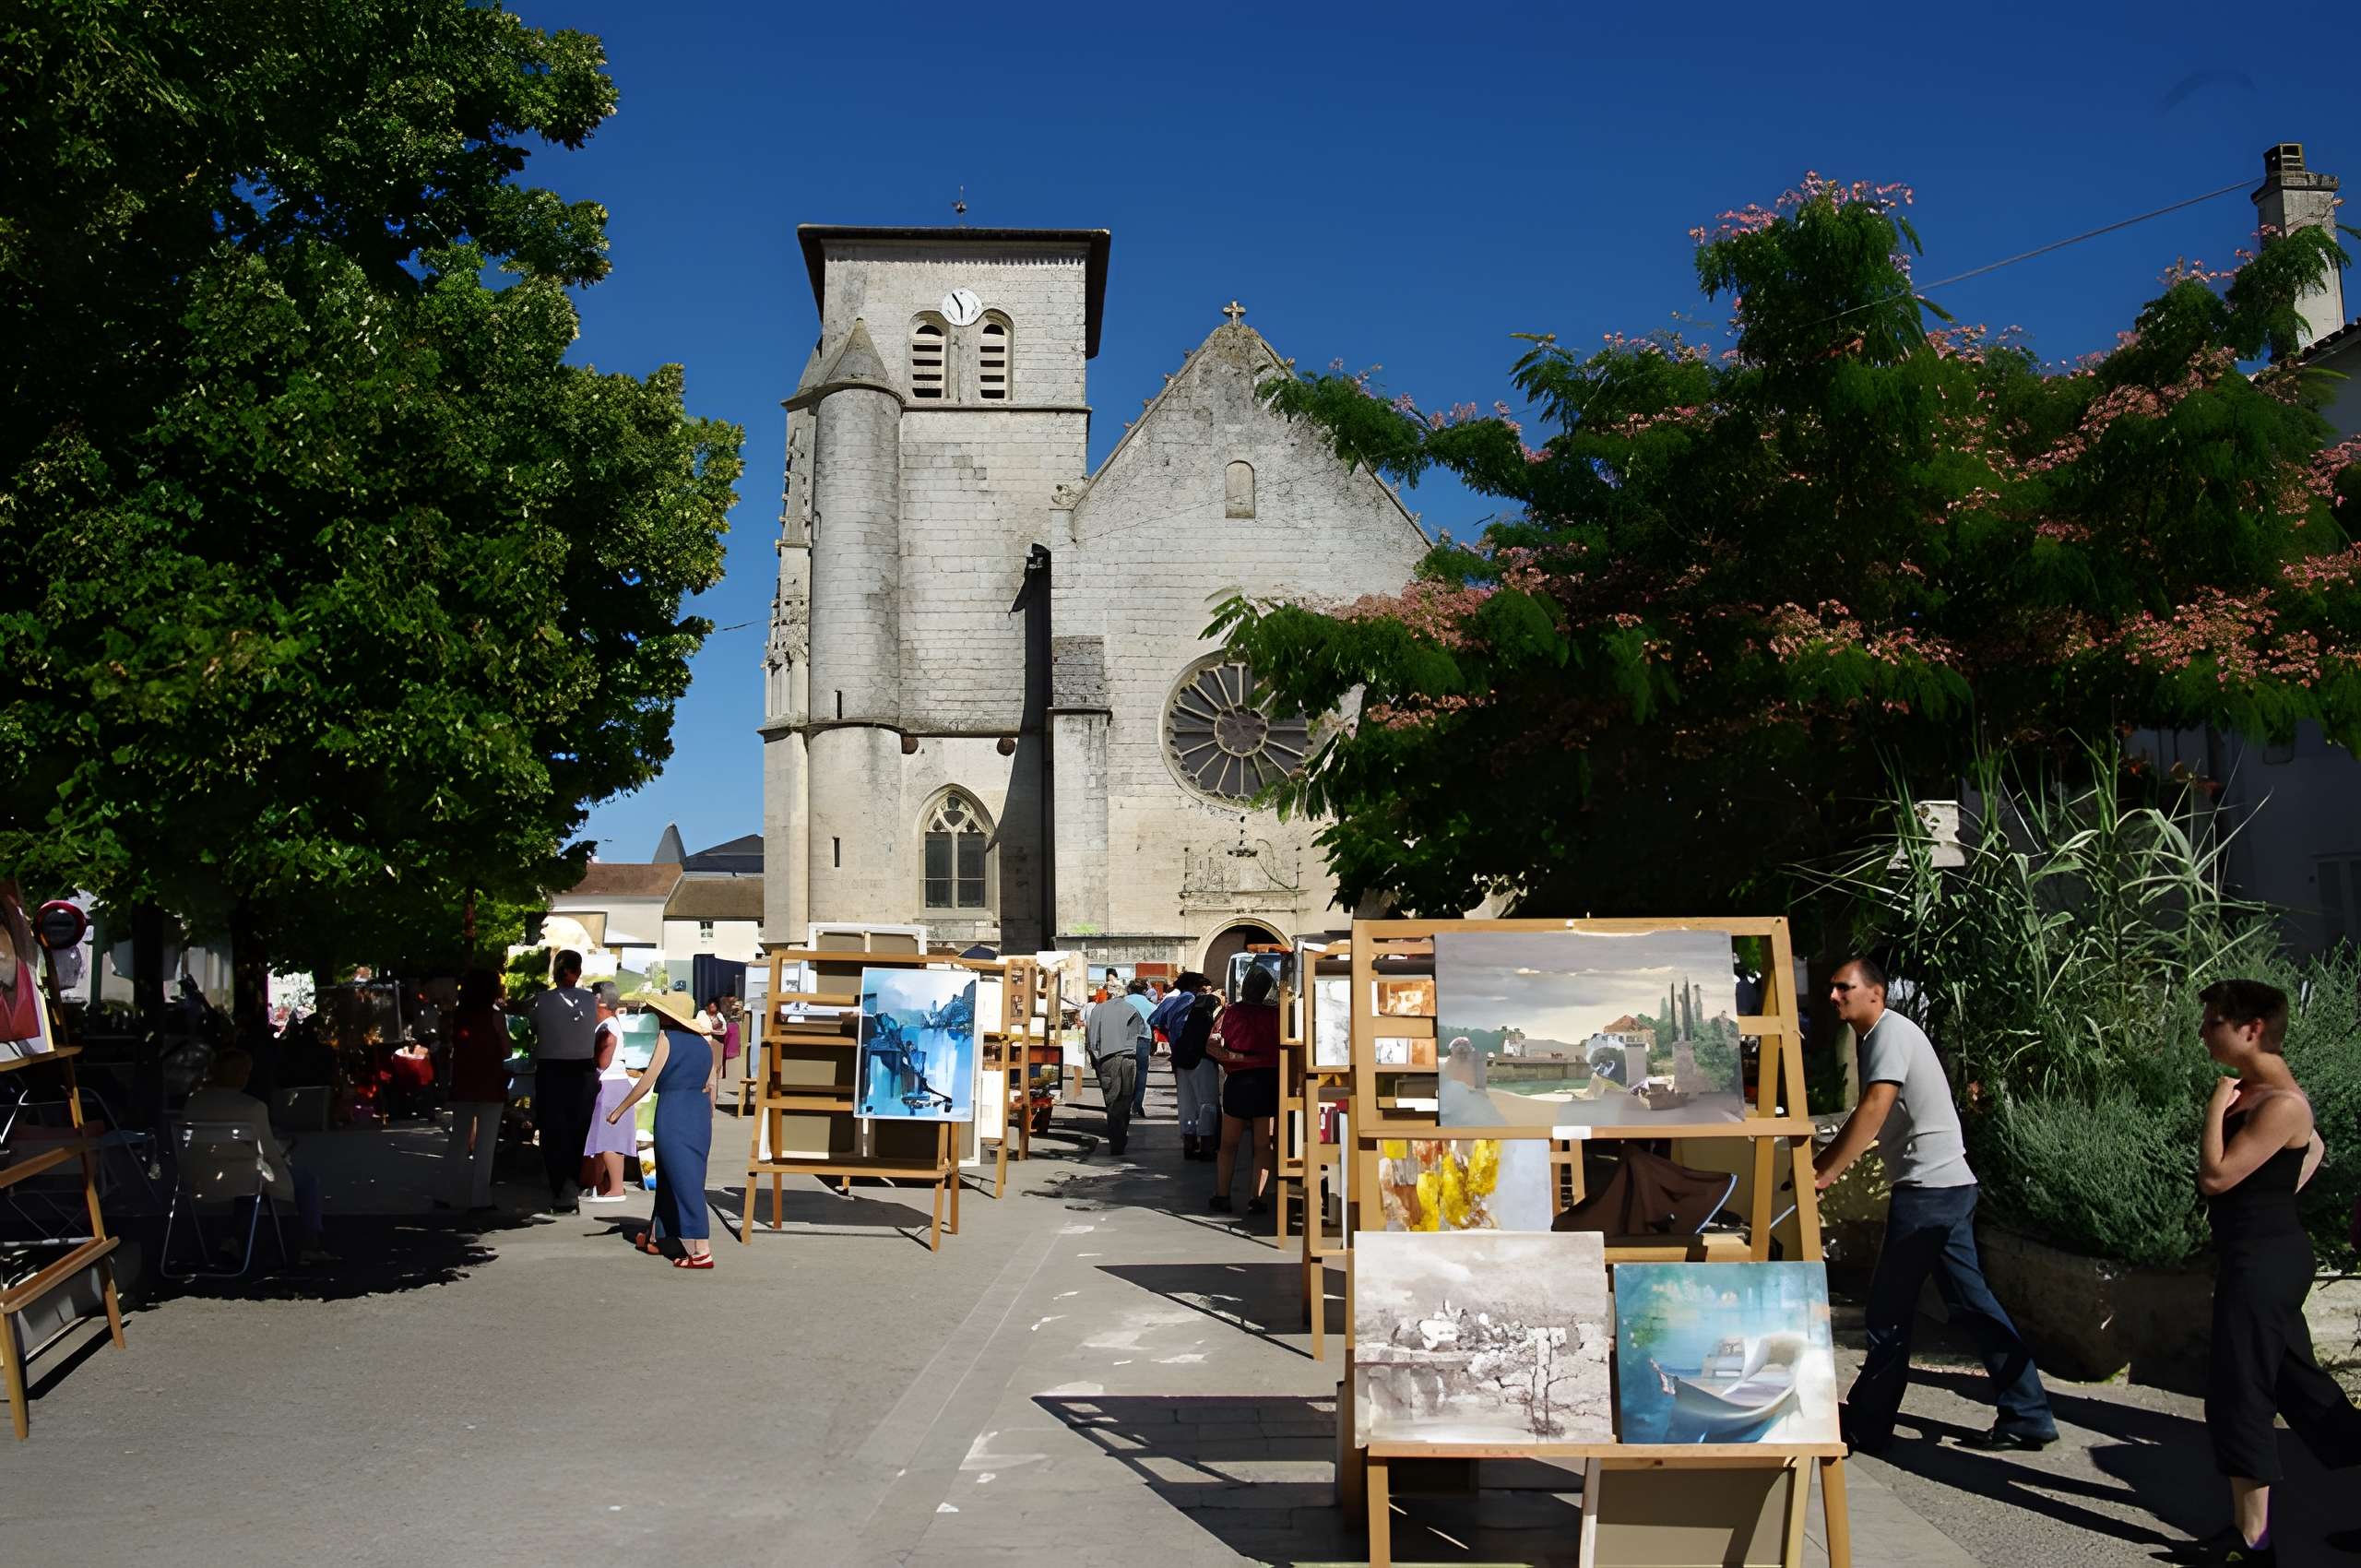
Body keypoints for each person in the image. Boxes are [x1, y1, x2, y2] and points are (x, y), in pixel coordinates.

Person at [1813, 956, 2056, 1455]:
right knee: (1972, 1304)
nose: (1834, 996)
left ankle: (1866, 1425)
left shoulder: (1888, 1033)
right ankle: (2028, 1414)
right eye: (1833, 989)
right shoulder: (1880, 1034)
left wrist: (1825, 1169)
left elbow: (1876, 1107)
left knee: (1887, 1312)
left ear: (1875, 993)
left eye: (1844, 988)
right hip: (1948, 1186)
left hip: (1929, 1192)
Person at [2193, 978, 2361, 1566]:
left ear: (2252, 1029)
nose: (2205, 1030)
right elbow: (2312, 1149)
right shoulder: (2261, 1092)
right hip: (2257, 1253)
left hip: (2264, 1261)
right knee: (2303, 1390)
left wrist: (2215, 1108)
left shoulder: (2279, 1100)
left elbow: (2215, 1177)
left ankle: (2252, 1544)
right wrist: (2272, 1195)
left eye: (2215, 1020)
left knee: (2240, 1391)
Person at [184, 1049, 331, 1263]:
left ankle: (233, 1238)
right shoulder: (252, 1107)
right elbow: (271, 1154)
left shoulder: (194, 1102)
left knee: (249, 1178)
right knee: (305, 1181)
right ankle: (312, 1244)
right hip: (245, 1176)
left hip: (198, 1177)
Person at [609, 991, 719, 1268]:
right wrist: (708, 1112)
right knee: (677, 1174)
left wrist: (620, 1109)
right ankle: (658, 1235)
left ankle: (701, 1250)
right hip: (698, 1110)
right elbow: (712, 1085)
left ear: (668, 1016)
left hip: (674, 1109)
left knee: (683, 1178)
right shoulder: (704, 1043)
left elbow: (648, 1079)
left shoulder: (667, 1038)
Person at [528, 950, 600, 1217]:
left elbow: (534, 1027)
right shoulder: (589, 1000)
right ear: (576, 971)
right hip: (580, 1069)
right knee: (575, 1133)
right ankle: (569, 1190)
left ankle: (561, 1191)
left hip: (553, 1069)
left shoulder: (542, 1001)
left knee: (553, 1133)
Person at [1205, 966, 1281, 1216]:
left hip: (1238, 1081)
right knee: (1263, 1145)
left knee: (1228, 1144)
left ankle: (1222, 1194)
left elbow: (1212, 1045)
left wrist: (1233, 1057)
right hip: (1268, 1081)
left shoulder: (1230, 1013)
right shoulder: (1277, 1015)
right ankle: (1257, 1198)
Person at [433, 968, 508, 1214]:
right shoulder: (495, 1017)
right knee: (485, 1144)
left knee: (458, 1140)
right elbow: (506, 1050)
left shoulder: (458, 1016)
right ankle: (480, 1198)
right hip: (490, 1081)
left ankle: (444, 1192)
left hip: (464, 1081)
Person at [1153, 972, 1218, 1160]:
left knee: (1186, 1102)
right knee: (1206, 1101)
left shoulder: (1172, 1002)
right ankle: (1207, 1144)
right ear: (1195, 987)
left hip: (1180, 1054)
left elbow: (1158, 1022)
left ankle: (1189, 1144)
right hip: (1200, 1054)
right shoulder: (1196, 1001)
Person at [581, 983, 634, 1204]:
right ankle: (607, 1185)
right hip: (614, 1085)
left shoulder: (607, 1028)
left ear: (600, 1002)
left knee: (608, 1140)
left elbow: (603, 1058)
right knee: (605, 1140)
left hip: (610, 1084)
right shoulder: (608, 1024)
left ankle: (616, 1187)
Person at [1084, 978, 1145, 1158]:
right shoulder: (1131, 1009)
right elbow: (1139, 1036)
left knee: (1111, 1100)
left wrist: (1096, 1059)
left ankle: (1116, 1139)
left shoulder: (1098, 1010)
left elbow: (1092, 1040)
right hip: (1128, 1059)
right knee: (1125, 1099)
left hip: (1107, 1059)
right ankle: (1120, 1136)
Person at [1125, 980, 1157, 1118]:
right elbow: (1156, 1023)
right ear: (1145, 991)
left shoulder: (1122, 1002)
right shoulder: (1150, 1005)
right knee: (1141, 1072)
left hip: (1124, 1040)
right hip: (1144, 1040)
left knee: (1124, 1072)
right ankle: (1137, 1105)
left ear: (1129, 990)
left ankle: (1124, 1103)